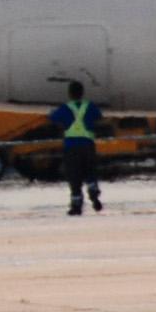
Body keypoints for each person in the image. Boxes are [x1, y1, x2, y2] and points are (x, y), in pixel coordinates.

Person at [51, 81, 105, 215]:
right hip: (88, 145)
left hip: (72, 147)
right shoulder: (89, 106)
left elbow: (53, 118)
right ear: (82, 93)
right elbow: (99, 116)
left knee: (74, 176)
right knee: (90, 172)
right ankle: (94, 196)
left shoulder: (65, 108)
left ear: (69, 93)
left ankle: (76, 205)